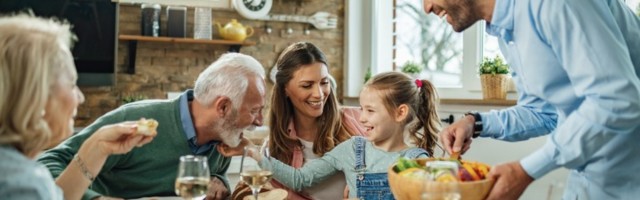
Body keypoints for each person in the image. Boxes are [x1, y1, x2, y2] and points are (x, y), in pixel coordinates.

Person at [423, 0, 640, 199]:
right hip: (592, 180)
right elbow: (544, 112)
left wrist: (527, 170)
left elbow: (615, 100)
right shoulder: (507, 31)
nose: (426, 7)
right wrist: (475, 122)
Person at [38, 52, 267, 200]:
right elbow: (46, 164)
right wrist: (96, 199)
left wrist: (220, 183)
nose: (260, 121)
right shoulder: (136, 119)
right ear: (223, 107)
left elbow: (212, 180)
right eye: (255, 111)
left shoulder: (225, 138)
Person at [0, 14, 154, 200]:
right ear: (35, 95)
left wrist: (97, 146)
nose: (80, 97)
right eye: (72, 84)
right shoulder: (22, 185)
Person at [251, 71, 441, 200]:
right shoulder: (352, 149)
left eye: (371, 111)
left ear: (400, 113)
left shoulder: (416, 161)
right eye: (361, 109)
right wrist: (256, 155)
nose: (362, 118)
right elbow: (299, 179)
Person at [267, 42, 366, 199]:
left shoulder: (360, 120)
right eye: (307, 86)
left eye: (324, 82)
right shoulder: (274, 149)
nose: (319, 94)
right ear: (285, 89)